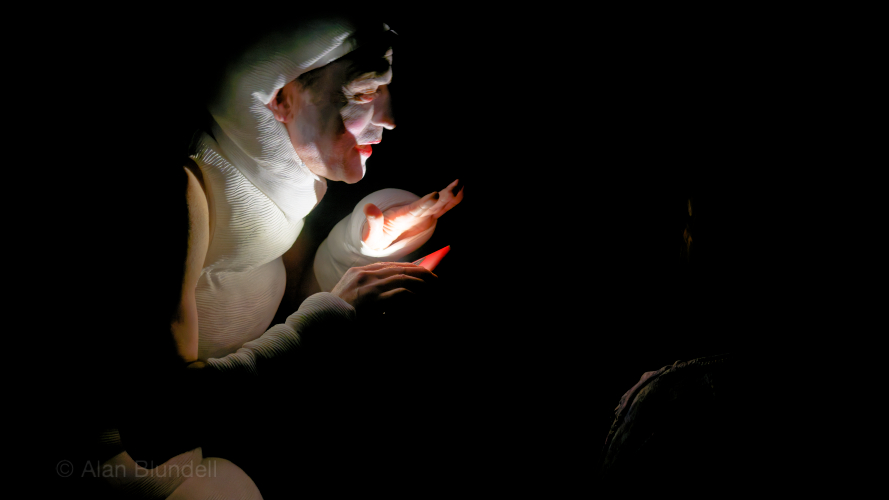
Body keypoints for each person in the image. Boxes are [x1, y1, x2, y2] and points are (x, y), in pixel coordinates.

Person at [97, 14, 463, 498]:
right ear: (281, 97)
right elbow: (155, 427)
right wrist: (332, 319)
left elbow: (283, 306)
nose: (390, 117)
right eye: (363, 91)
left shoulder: (279, 196)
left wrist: (359, 249)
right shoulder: (178, 192)